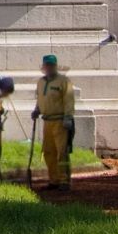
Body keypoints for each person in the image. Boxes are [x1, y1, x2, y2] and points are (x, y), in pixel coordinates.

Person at [35, 53, 77, 192]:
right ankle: (54, 180)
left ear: (55, 66)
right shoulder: (41, 82)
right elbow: (40, 98)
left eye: (51, 65)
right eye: (46, 65)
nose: (48, 68)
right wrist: (37, 109)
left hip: (60, 121)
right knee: (48, 152)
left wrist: (68, 117)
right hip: (47, 121)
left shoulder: (63, 81)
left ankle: (65, 180)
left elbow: (69, 100)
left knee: (62, 152)